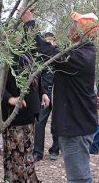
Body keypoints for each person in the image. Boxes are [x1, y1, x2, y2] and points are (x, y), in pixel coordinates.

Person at [22, 9, 99, 183]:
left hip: (76, 129)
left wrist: (29, 24)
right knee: (78, 176)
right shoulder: (80, 52)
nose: (70, 29)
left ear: (82, 32)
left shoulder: (81, 56)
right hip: (76, 126)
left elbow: (45, 52)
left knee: (78, 178)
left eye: (74, 26)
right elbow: (48, 52)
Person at [1, 38, 49, 182]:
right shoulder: (5, 58)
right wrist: (10, 99)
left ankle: (30, 179)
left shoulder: (30, 55)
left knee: (27, 151)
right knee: (15, 153)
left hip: (29, 113)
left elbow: (37, 77)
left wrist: (43, 92)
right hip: (13, 115)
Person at [33, 32, 60, 162]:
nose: (50, 43)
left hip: (59, 94)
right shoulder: (40, 57)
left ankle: (55, 150)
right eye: (47, 41)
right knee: (39, 123)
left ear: (55, 42)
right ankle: (37, 152)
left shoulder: (60, 55)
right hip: (45, 93)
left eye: (51, 41)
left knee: (57, 123)